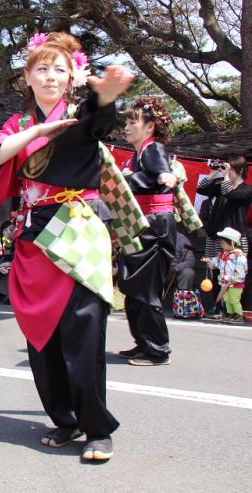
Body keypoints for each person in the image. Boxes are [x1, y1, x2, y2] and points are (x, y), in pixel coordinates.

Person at [0, 32, 136, 461]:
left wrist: (105, 97)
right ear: (27, 77)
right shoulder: (18, 126)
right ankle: (65, 419)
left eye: (60, 69)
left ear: (73, 77)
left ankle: (97, 428)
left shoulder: (78, 114)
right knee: (42, 335)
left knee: (84, 332)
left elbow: (97, 120)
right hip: (34, 233)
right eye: (42, 68)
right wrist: (37, 129)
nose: (51, 76)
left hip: (77, 229)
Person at [116, 97, 180, 367]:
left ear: (150, 126)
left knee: (146, 286)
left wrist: (164, 176)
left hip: (155, 225)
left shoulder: (153, 148)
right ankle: (144, 341)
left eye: (133, 123)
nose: (127, 128)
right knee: (135, 285)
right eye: (127, 123)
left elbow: (161, 174)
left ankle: (157, 349)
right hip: (145, 222)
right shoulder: (139, 153)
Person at [196, 155, 251, 312]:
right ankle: (217, 307)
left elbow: (230, 194)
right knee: (215, 271)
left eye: (230, 169)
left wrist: (225, 177)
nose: (227, 172)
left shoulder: (246, 190)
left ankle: (234, 309)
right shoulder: (222, 185)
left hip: (235, 239)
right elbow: (201, 189)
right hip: (216, 236)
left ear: (240, 170)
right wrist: (213, 173)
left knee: (235, 274)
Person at [202, 227, 248, 324]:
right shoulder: (223, 254)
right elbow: (218, 262)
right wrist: (210, 261)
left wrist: (234, 279)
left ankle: (238, 315)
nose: (221, 245)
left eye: (223, 243)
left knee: (234, 299)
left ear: (232, 243)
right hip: (225, 282)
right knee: (227, 300)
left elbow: (241, 270)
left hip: (235, 283)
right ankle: (230, 314)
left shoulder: (239, 256)